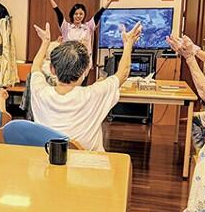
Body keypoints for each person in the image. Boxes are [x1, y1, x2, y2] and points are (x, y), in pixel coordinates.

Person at [30, 21, 142, 151]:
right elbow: (123, 73)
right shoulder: (94, 94)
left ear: (51, 69)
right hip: (89, 167)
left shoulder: (39, 91)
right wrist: (128, 44)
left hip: (49, 163)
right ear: (84, 71)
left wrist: (45, 41)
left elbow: (35, 67)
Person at [38, 0, 122, 54]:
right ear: (72, 15)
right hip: (68, 61)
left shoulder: (89, 26)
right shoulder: (66, 27)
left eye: (81, 14)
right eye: (76, 14)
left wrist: (110, 0)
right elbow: (58, 12)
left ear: (84, 15)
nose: (78, 16)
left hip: (84, 64)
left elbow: (100, 13)